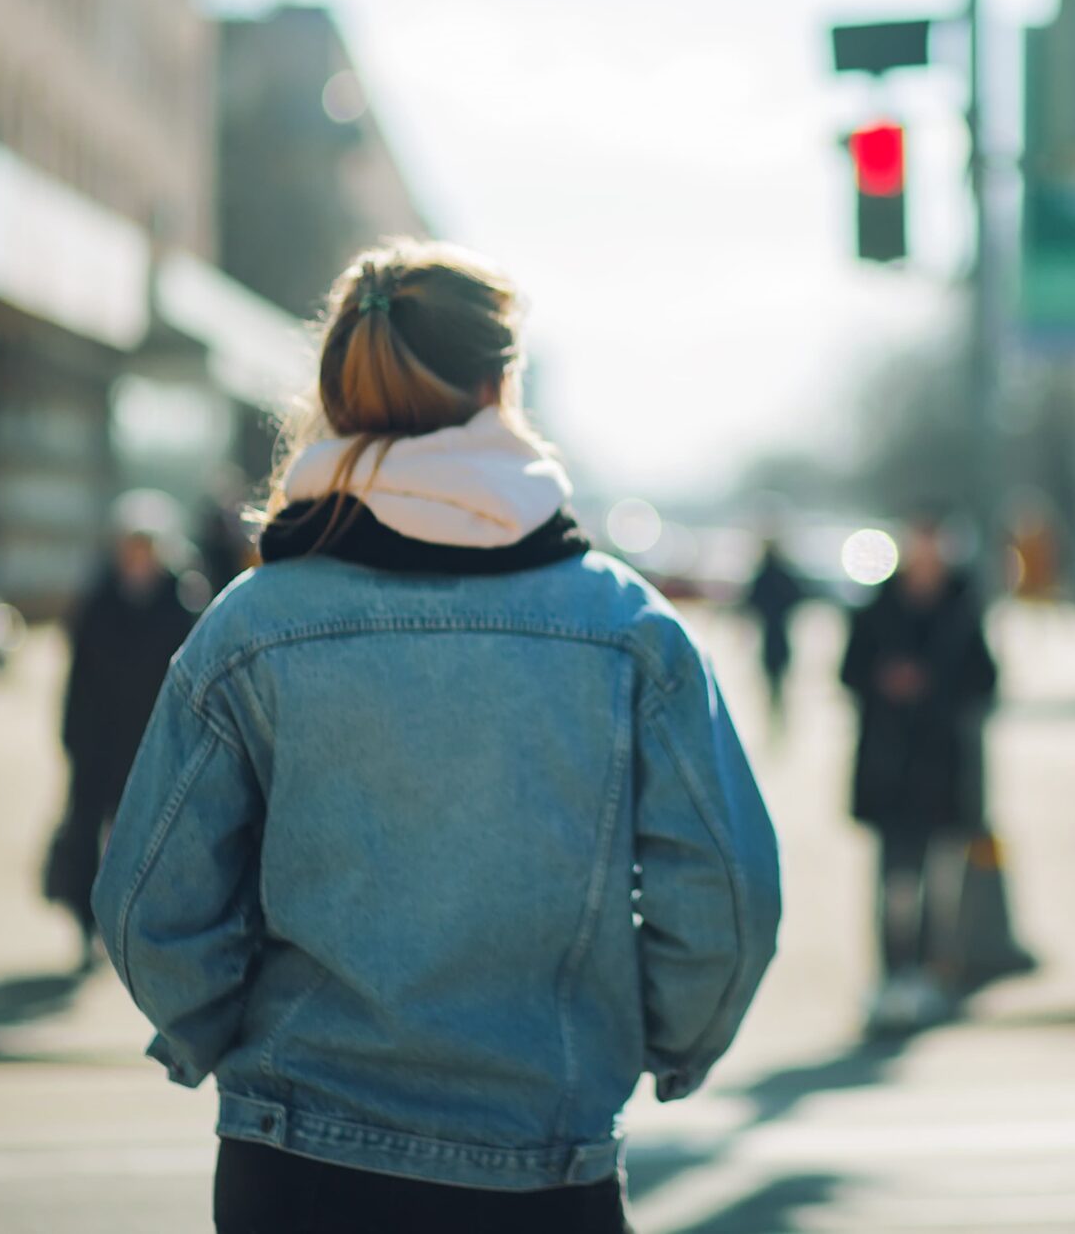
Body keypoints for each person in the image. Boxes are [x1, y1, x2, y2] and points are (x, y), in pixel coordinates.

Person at [94, 241, 779, 1234]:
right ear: (501, 384)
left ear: (338, 393)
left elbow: (147, 902)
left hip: (296, 1165)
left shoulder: (252, 625)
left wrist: (227, 1041)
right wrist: (659, 1046)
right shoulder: (629, 631)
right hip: (542, 1168)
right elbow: (727, 898)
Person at [839, 516, 997, 1034]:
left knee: (936, 882)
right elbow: (848, 672)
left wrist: (935, 687)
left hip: (941, 768)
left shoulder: (962, 610)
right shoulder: (878, 607)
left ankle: (930, 976)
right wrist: (886, 680)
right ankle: (891, 974)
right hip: (889, 768)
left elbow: (985, 681)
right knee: (893, 882)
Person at [48, 524, 199, 953]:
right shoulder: (97, 603)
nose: (136, 558)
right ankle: (84, 920)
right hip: (98, 740)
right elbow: (77, 677)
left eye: (144, 549)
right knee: (86, 831)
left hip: (149, 742)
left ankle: (141, 929)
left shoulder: (179, 605)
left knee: (145, 838)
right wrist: (71, 733)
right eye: (130, 549)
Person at [741, 532, 808, 733]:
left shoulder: (764, 575)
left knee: (773, 681)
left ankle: (776, 717)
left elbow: (751, 601)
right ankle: (778, 718)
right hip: (778, 635)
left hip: (772, 635)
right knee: (778, 681)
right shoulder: (782, 574)